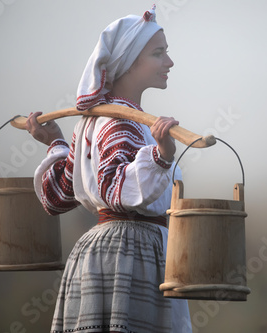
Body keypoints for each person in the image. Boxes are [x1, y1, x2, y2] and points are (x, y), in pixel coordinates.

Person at [25, 5, 192, 333]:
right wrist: (162, 154)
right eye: (159, 54)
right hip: (131, 253)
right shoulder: (120, 122)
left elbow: (56, 195)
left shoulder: (96, 123)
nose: (169, 62)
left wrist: (56, 142)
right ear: (129, 63)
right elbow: (117, 191)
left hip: (100, 252)